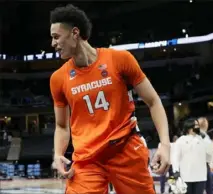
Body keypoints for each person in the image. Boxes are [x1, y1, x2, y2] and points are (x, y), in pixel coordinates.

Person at [49, 4, 170, 194]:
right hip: (87, 160)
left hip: (126, 150)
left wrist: (165, 144)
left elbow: (153, 101)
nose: (53, 44)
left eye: (56, 37)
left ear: (75, 33)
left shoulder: (120, 60)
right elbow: (62, 126)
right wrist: (57, 154)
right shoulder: (58, 79)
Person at [172, 118, 213, 194]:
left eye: (198, 125)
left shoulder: (203, 139)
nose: (197, 127)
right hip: (186, 175)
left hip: (200, 176)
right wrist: (176, 170)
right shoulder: (181, 140)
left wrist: (205, 138)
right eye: (196, 125)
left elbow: (210, 153)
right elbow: (175, 157)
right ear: (189, 127)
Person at [198, 117, 213, 194]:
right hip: (203, 165)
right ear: (206, 125)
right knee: (210, 188)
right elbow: (210, 152)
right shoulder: (205, 137)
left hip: (194, 165)